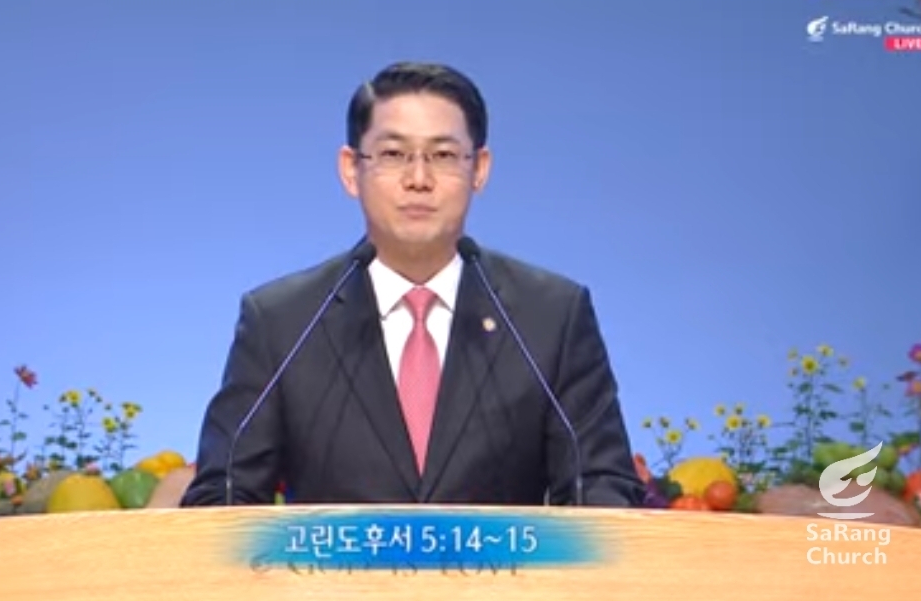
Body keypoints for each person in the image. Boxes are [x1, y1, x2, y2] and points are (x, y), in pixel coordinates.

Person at [181, 61, 645, 508]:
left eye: (443, 156)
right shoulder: (283, 322)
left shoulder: (550, 316)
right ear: (351, 169)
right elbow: (224, 496)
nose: (418, 179)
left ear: (479, 169)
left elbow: (600, 489)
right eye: (392, 154)